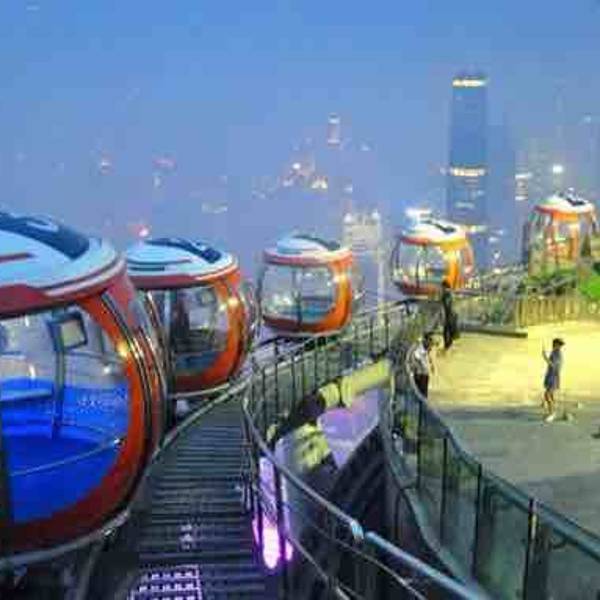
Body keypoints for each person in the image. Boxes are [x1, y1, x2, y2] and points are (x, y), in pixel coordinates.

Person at [542, 338, 565, 422]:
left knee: (547, 395)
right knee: (551, 395)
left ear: (558, 345)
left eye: (554, 344)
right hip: (551, 375)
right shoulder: (554, 352)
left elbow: (553, 365)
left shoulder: (558, 354)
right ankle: (552, 410)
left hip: (553, 376)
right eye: (553, 343)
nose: (553, 345)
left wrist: (545, 357)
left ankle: (552, 413)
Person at [412, 333, 435, 397]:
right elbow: (416, 360)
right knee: (421, 394)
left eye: (431, 341)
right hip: (420, 375)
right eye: (429, 341)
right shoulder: (419, 349)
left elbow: (429, 358)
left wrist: (431, 365)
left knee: (424, 394)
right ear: (425, 340)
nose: (430, 344)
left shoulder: (426, 349)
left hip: (424, 374)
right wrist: (417, 371)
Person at [441, 280, 458, 350]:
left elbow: (447, 305)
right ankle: (448, 345)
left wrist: (444, 316)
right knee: (449, 331)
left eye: (442, 287)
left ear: (445, 287)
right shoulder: (449, 294)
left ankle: (447, 346)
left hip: (450, 315)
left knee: (447, 332)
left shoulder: (447, 294)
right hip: (452, 314)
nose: (442, 289)